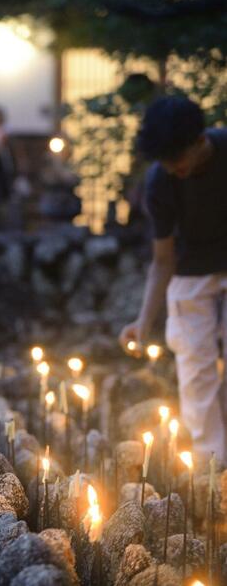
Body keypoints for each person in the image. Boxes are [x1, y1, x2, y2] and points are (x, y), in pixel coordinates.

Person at [119, 95, 227, 464]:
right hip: (189, 269)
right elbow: (162, 259)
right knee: (194, 364)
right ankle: (210, 465)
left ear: (201, 141)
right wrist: (144, 321)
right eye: (166, 163)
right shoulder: (160, 181)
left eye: (178, 160)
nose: (173, 169)